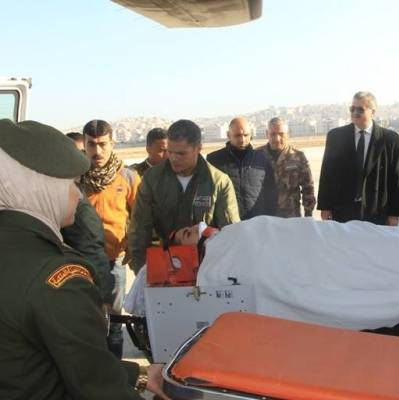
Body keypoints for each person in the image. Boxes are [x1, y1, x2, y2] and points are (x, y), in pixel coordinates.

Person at [0, 119, 168, 399]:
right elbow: (97, 386)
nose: (78, 196)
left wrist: (135, 375)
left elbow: (43, 356)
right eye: (71, 184)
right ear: (40, 187)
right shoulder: (57, 278)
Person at [128, 119, 240, 273]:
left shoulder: (218, 182)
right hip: (166, 268)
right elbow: (139, 231)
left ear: (198, 148)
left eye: (181, 153)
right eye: (170, 152)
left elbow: (230, 234)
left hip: (206, 269)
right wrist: (143, 272)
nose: (173, 158)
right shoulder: (152, 179)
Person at [81, 119, 141, 359]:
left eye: (103, 144)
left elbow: (140, 217)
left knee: (114, 324)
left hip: (114, 261)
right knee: (85, 322)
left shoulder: (128, 177)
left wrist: (132, 247)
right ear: (84, 145)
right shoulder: (75, 177)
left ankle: (115, 372)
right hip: (81, 262)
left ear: (112, 144)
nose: (97, 151)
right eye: (91, 144)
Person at [318, 91, 399, 225]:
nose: (354, 113)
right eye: (352, 109)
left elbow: (396, 178)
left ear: (372, 111)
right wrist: (325, 206)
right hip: (343, 210)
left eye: (360, 109)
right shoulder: (335, 137)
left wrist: (394, 213)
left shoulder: (390, 139)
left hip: (377, 210)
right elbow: (327, 173)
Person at [207, 117, 277, 220]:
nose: (242, 139)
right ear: (228, 135)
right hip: (228, 224)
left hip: (257, 222)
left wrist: (268, 219)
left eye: (246, 135)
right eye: (237, 135)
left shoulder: (262, 158)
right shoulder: (214, 160)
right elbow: (208, 196)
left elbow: (271, 193)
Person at [258, 117, 316, 217]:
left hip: (291, 216)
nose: (277, 138)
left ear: (288, 134)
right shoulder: (257, 155)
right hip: (265, 217)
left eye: (281, 134)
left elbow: (308, 188)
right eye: (273, 134)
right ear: (267, 134)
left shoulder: (298, 157)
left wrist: (308, 214)